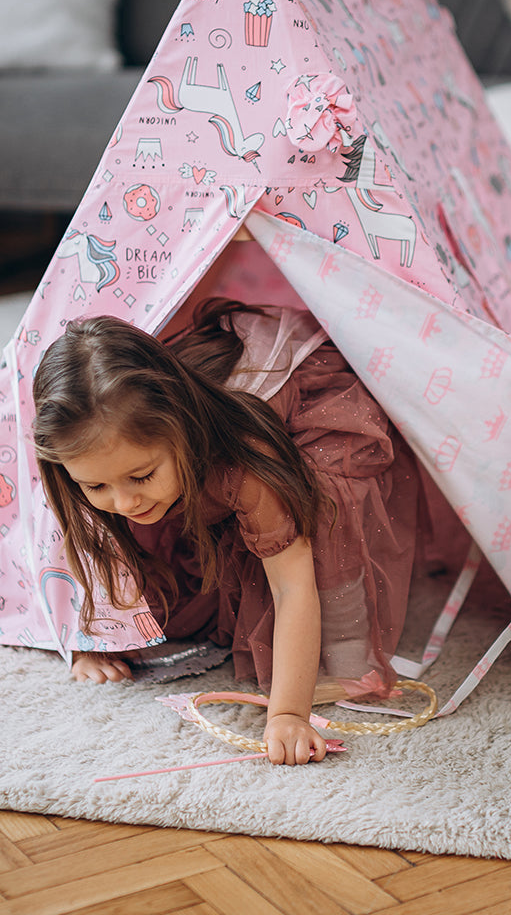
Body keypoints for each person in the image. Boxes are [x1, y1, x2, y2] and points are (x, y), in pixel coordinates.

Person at [32, 299, 419, 764]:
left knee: (321, 510)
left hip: (307, 403)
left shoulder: (244, 464)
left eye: (140, 476)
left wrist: (288, 714)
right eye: (96, 485)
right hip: (193, 432)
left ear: (181, 433)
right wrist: (87, 644)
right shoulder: (84, 469)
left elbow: (292, 585)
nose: (124, 502)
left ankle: (345, 640)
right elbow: (70, 551)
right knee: (162, 589)